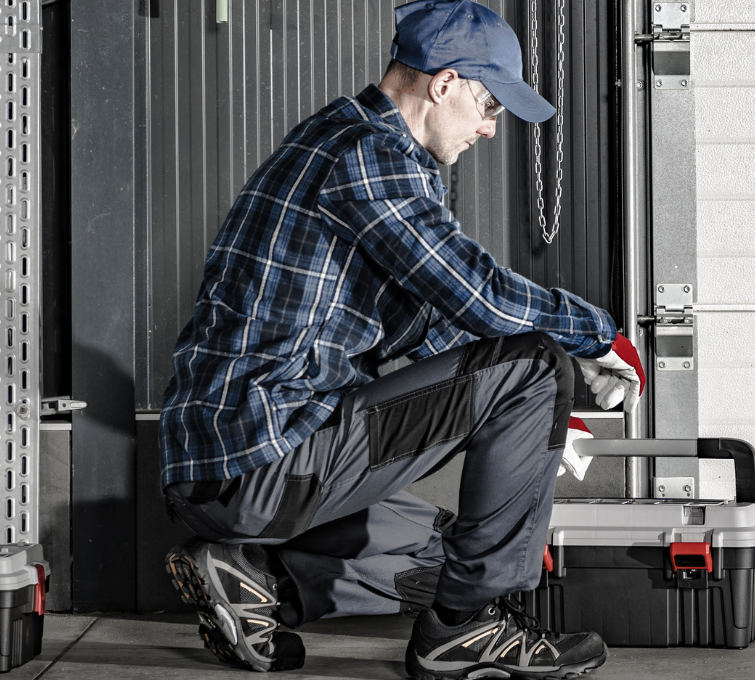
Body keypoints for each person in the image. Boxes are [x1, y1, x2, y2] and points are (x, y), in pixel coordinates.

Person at [159, 1, 644, 677]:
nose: (488, 128)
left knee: (444, 551)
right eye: (488, 106)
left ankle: (260, 581)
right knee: (535, 364)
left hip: (241, 465)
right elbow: (479, 295)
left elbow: (426, 325)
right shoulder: (370, 156)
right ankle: (466, 632)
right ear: (444, 84)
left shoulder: (341, 139)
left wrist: (536, 429)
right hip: (264, 456)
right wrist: (597, 337)